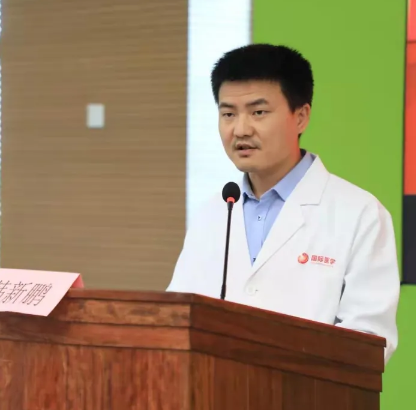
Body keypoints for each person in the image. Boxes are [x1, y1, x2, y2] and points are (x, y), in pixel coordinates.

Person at [166, 43, 400, 363]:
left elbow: (369, 342)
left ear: (300, 117)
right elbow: (177, 319)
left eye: (258, 112)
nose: (241, 129)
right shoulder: (212, 213)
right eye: (228, 114)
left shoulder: (360, 214)